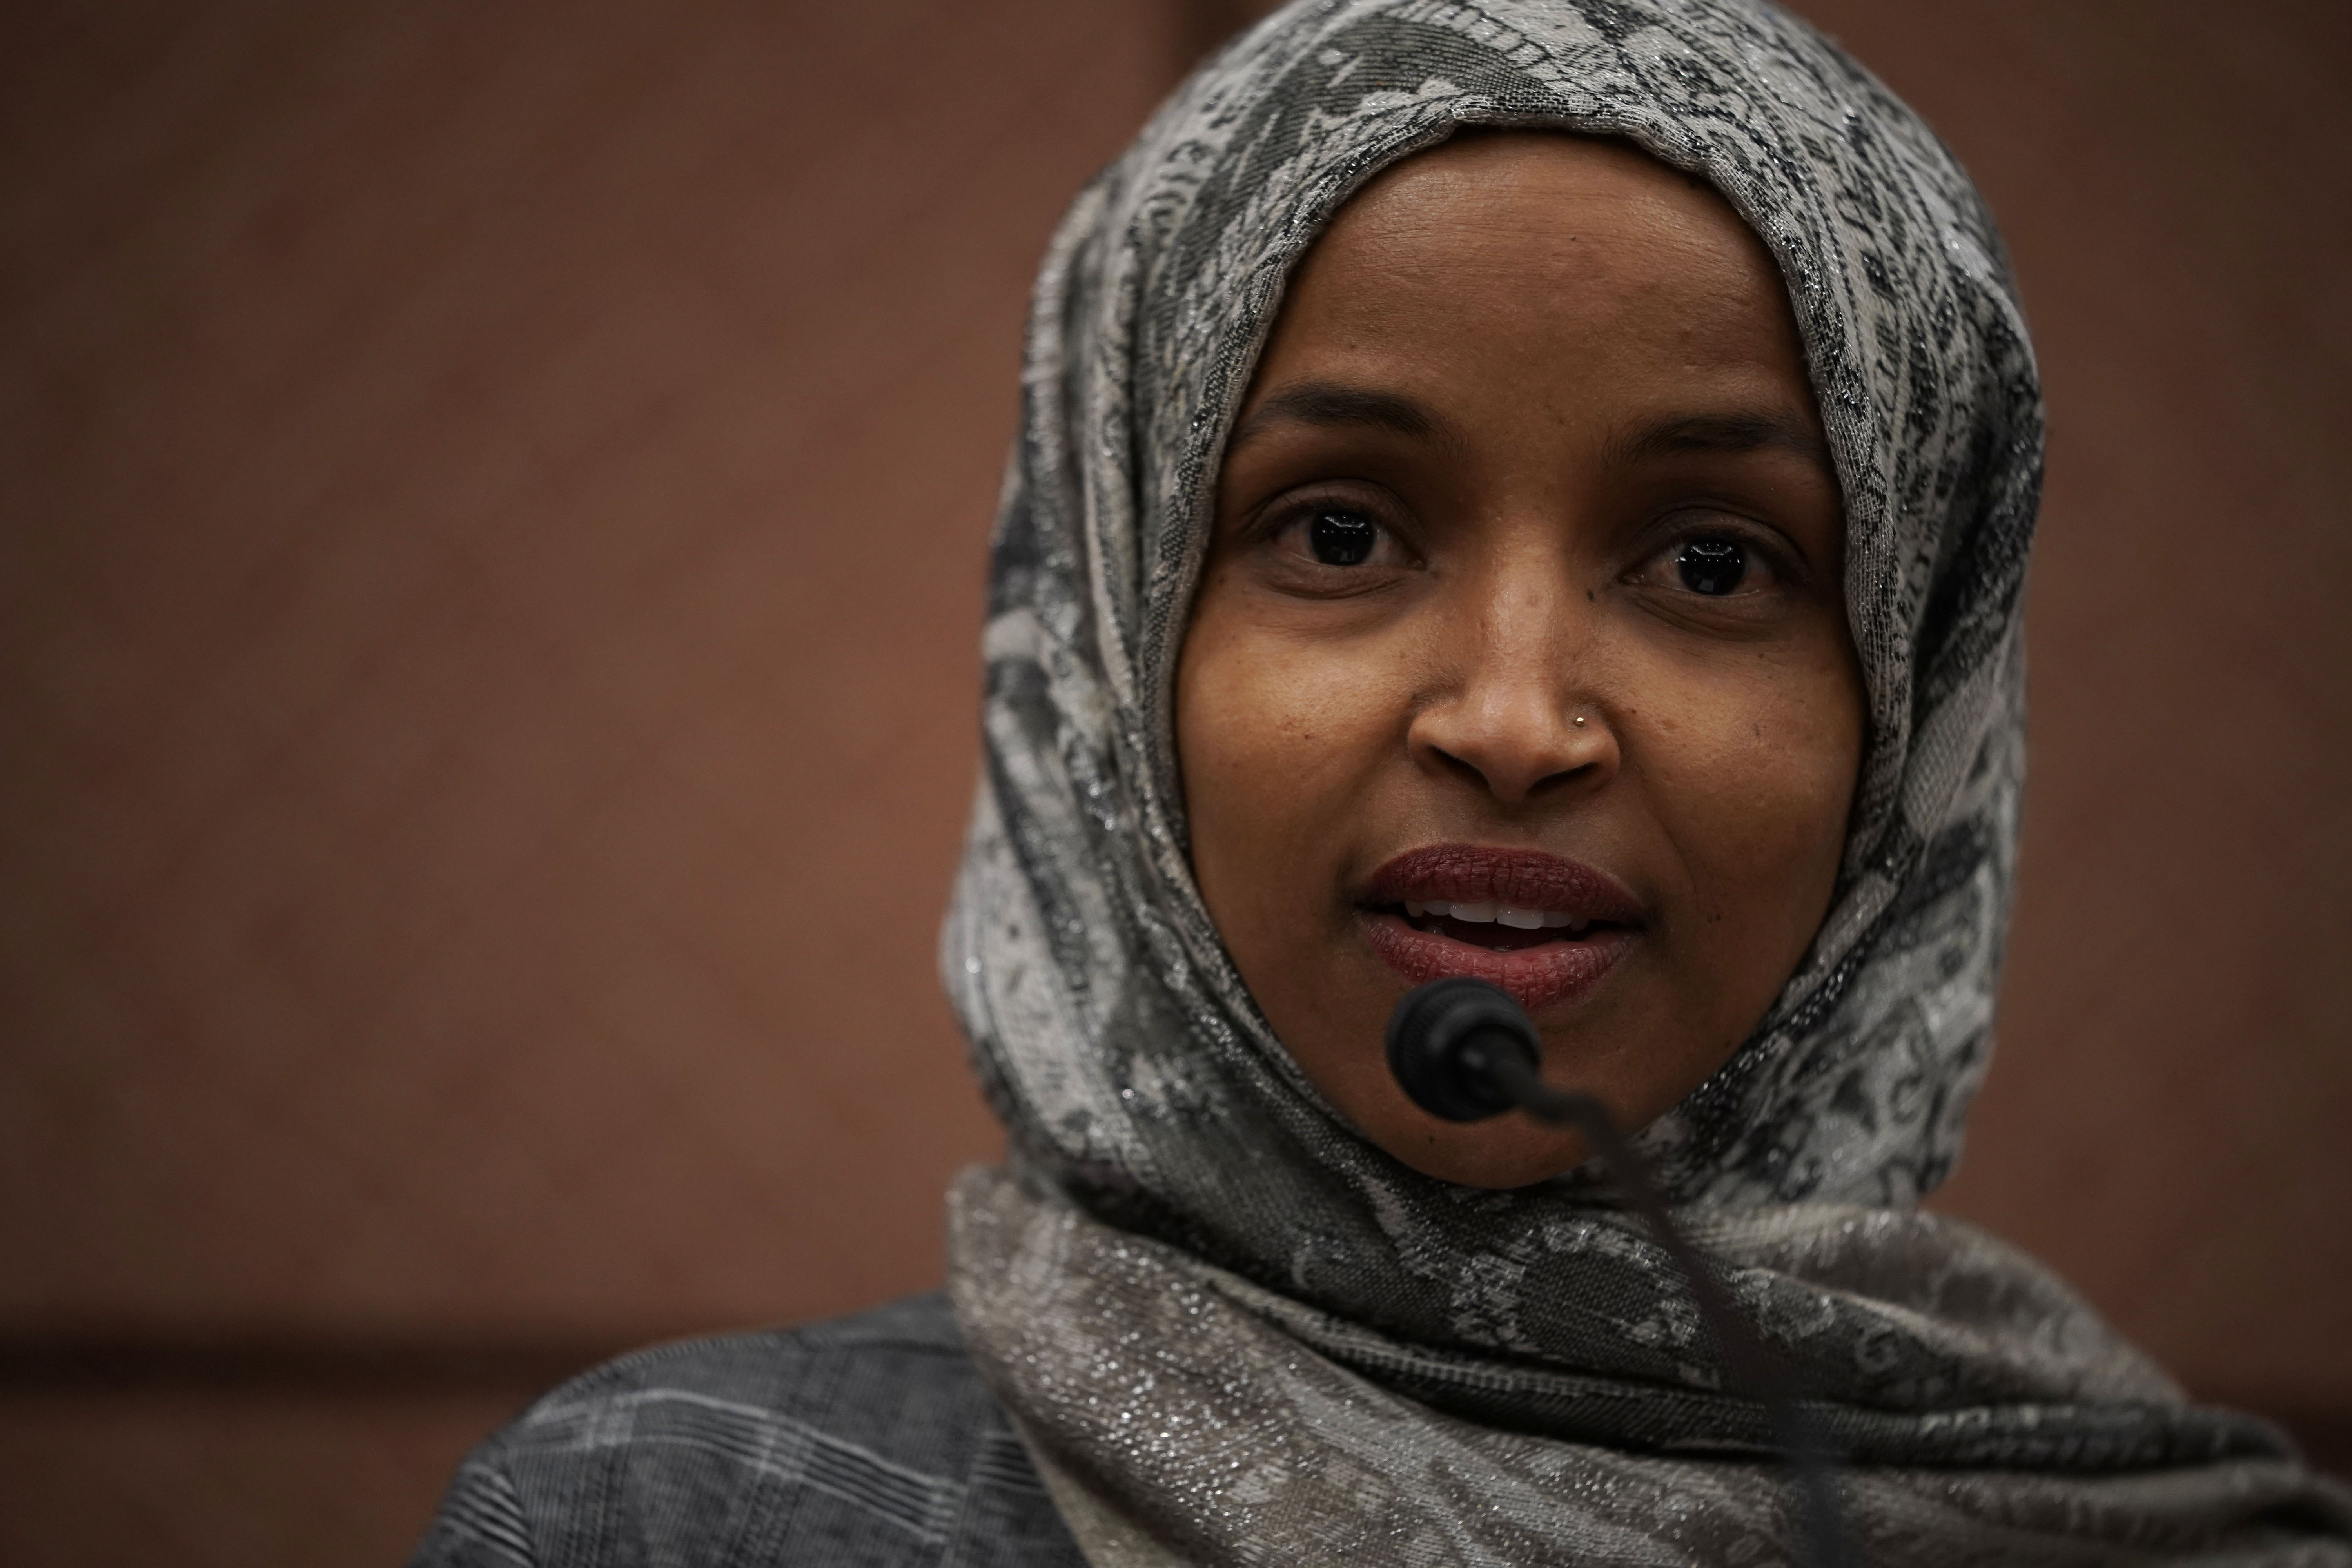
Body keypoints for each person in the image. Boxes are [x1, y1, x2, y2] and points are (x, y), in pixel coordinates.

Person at [411, 1, 2352, 1563]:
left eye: (1712, 561)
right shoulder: (674, 1519)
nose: (1516, 721)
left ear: (1911, 723)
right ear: (1119, 647)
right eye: (1338, 532)